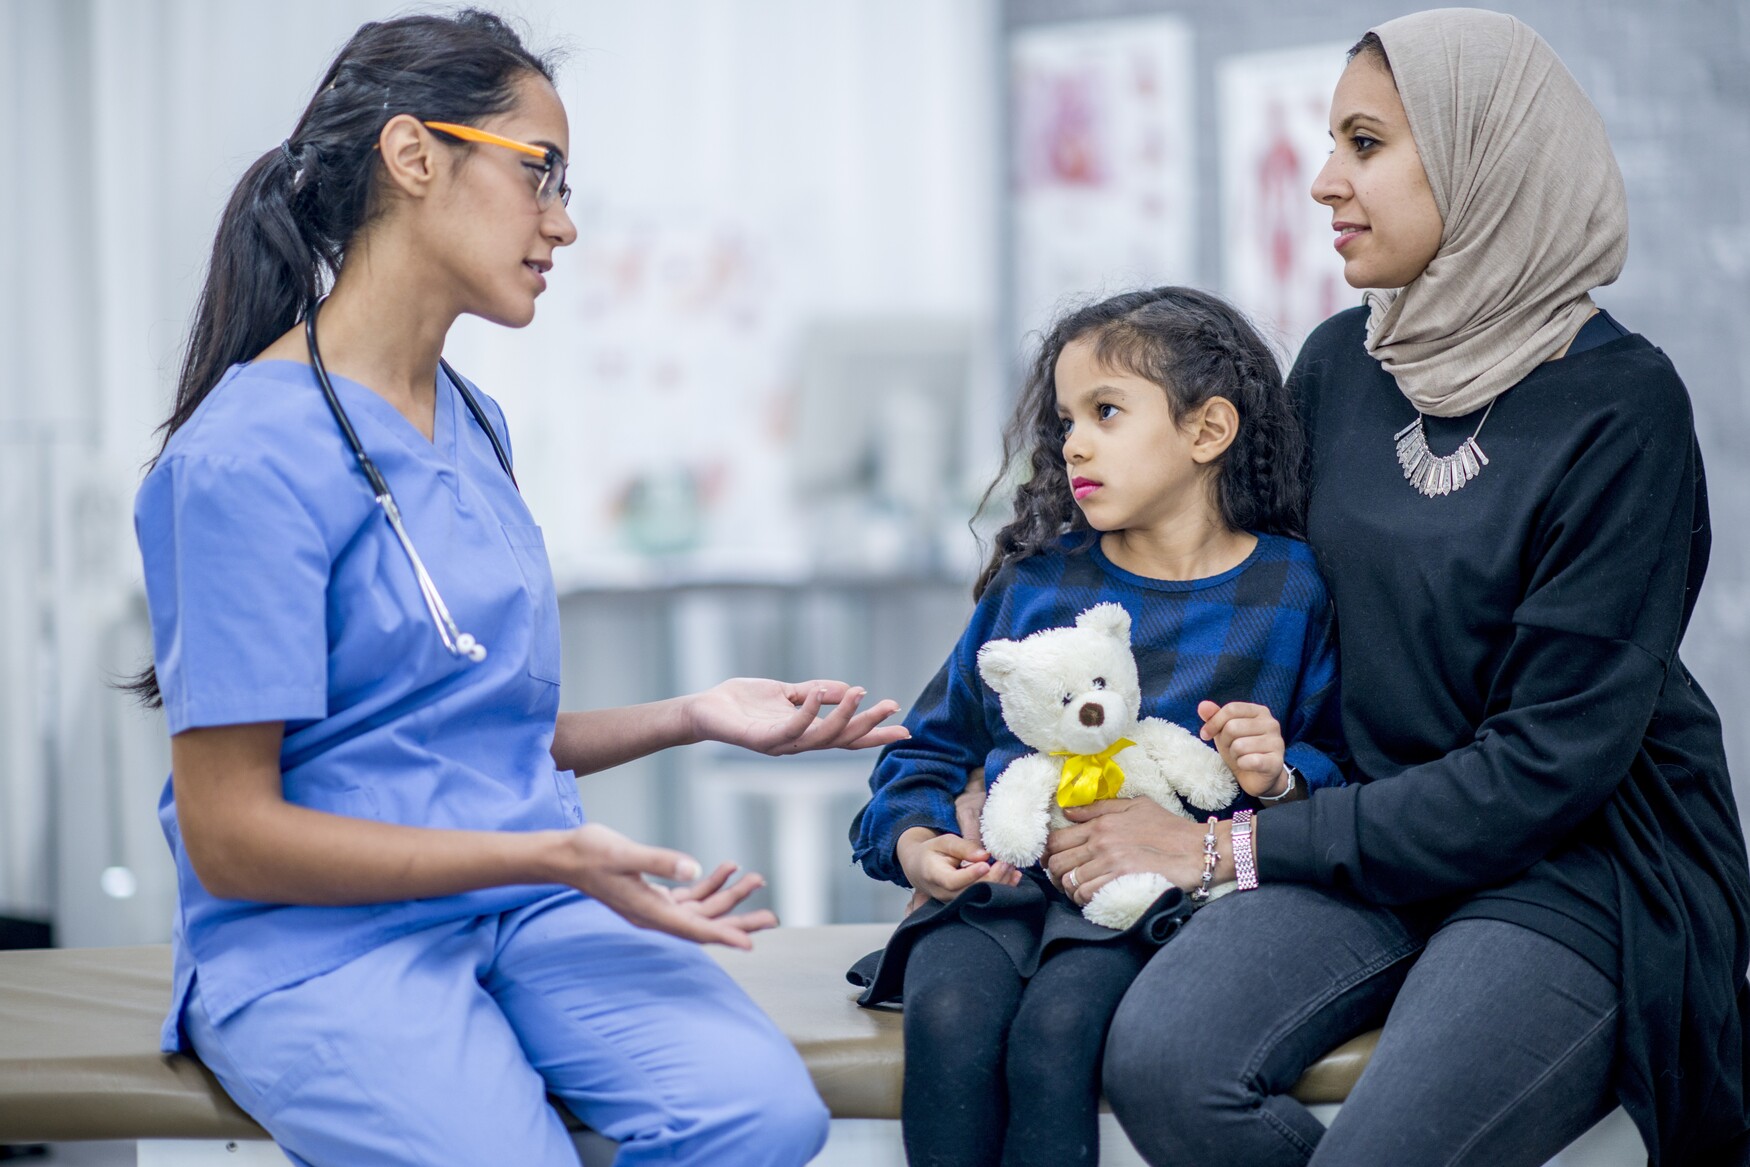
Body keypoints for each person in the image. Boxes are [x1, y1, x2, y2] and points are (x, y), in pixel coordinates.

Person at [127, 11, 908, 1166]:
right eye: (539, 173)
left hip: (521, 909)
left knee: (759, 1116)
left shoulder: (471, 420)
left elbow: (456, 742)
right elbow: (232, 835)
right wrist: (549, 854)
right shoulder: (242, 461)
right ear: (412, 156)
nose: (565, 221)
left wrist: (692, 716)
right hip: (321, 944)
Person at [1039, 11, 1750, 1166]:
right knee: (1162, 1062)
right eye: (1330, 144)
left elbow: (1545, 769)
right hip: (1354, 823)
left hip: (1571, 862)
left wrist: (1219, 853)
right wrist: (994, 770)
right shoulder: (1335, 364)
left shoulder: (1623, 408)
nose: (1325, 181)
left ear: (1483, 159)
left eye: (1364, 143)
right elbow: (1236, 592)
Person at [847, 286, 1346, 1167]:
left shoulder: (1293, 589)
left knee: (1060, 1030)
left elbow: (1337, 767)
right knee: (952, 1017)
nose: (1073, 440)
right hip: (994, 895)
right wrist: (918, 844)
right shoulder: (1035, 585)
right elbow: (927, 748)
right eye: (1065, 417)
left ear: (1207, 430)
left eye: (1106, 412)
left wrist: (1278, 776)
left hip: (1144, 907)